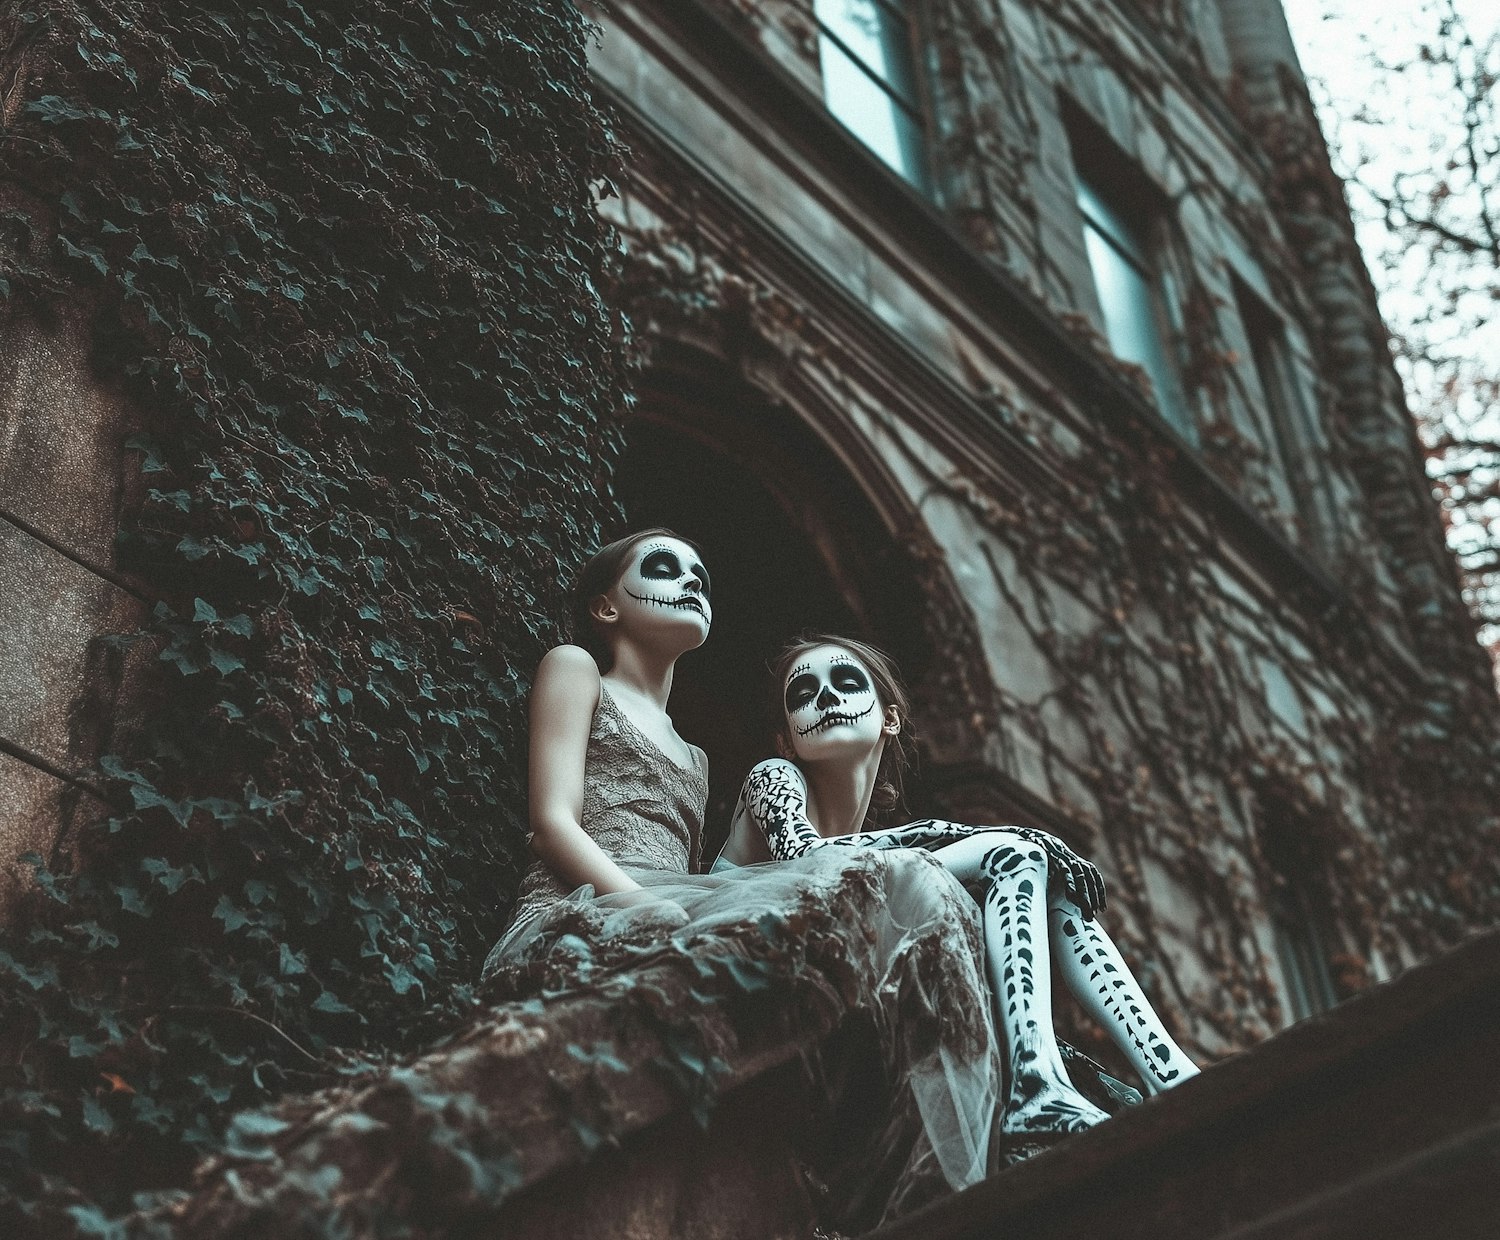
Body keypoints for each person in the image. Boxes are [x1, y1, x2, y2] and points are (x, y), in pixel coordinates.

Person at [481, 534, 1006, 1224]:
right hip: (581, 906)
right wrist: (642, 905)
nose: (691, 581)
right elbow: (553, 823)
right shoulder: (577, 669)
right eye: (664, 568)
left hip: (672, 903)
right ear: (605, 607)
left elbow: (696, 873)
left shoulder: (695, 756)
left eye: (701, 573)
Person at [718, 634, 1200, 1139]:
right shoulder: (772, 776)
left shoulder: (865, 836)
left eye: (845, 681)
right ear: (786, 739)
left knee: (1040, 871)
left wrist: (986, 838)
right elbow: (808, 861)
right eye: (803, 695)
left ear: (890, 718)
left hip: (834, 938)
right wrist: (957, 833)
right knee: (1013, 852)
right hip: (751, 943)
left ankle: (1165, 1070)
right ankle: (1036, 1084)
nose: (826, 698)